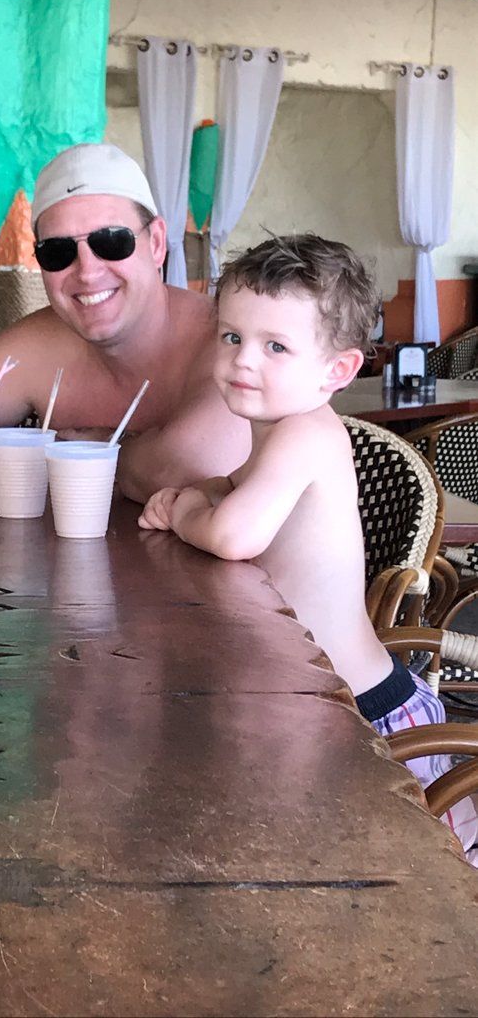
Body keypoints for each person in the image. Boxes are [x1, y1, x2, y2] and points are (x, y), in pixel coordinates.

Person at [138, 233, 477, 861]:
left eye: (275, 347)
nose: (243, 361)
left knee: (412, 877)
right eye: (232, 337)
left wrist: (185, 507)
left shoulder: (305, 433)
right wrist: (209, 490)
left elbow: (235, 535)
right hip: (307, 692)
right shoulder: (272, 428)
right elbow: (237, 489)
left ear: (338, 370)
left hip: (363, 716)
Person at [0, 143, 250, 498]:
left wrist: (92, 449)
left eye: (112, 241)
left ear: (156, 244)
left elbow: (191, 468)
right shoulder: (47, 341)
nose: (87, 271)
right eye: (58, 251)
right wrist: (28, 454)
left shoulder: (226, 336)